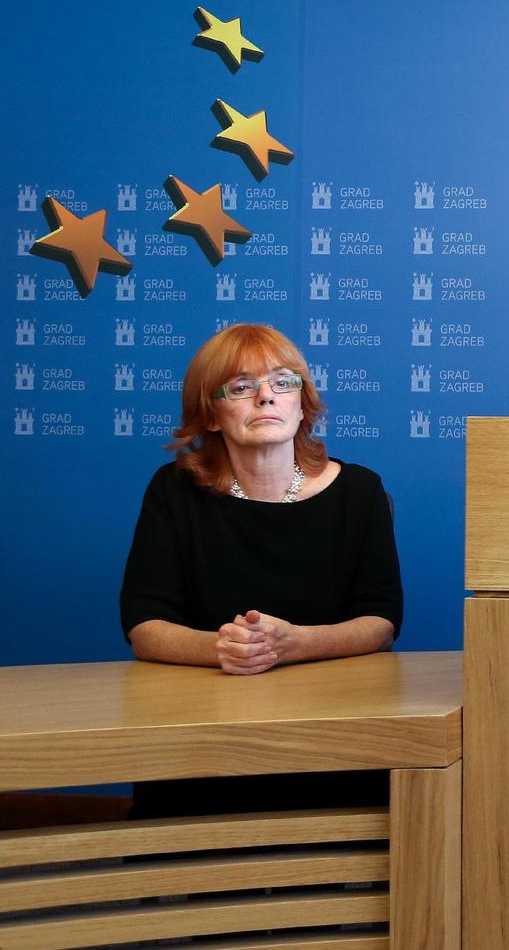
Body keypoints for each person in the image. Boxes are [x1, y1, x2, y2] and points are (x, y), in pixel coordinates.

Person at [119, 322, 402, 813]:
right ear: (211, 415)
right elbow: (144, 627)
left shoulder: (360, 492)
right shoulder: (174, 490)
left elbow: (381, 622)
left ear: (302, 404)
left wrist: (294, 644)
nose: (266, 397)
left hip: (333, 727)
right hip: (202, 729)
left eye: (283, 382)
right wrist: (223, 649)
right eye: (241, 387)